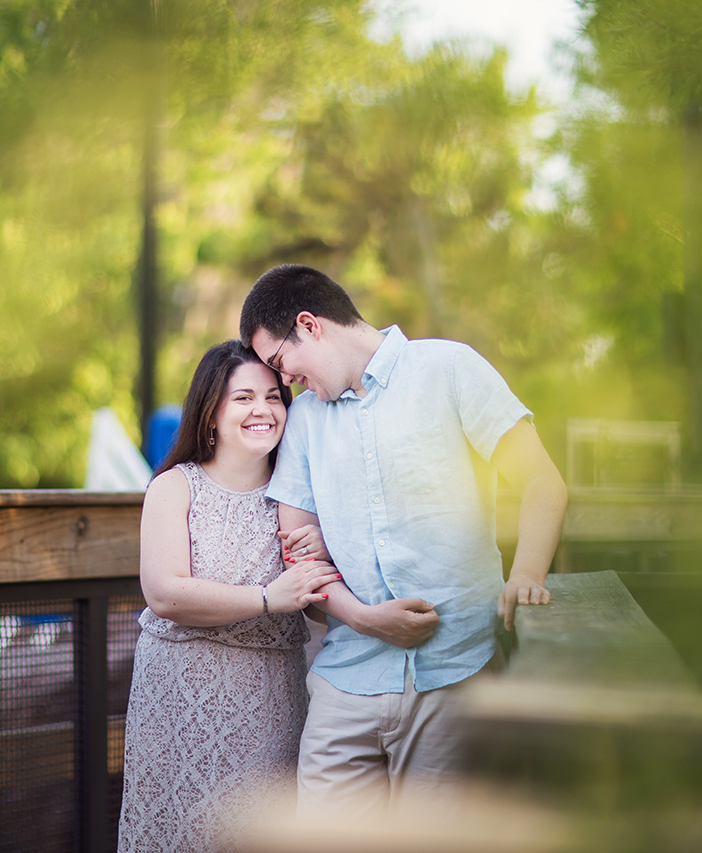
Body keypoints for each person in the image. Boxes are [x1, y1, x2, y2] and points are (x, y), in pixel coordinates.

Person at [240, 264, 569, 814]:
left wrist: (527, 576)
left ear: (310, 324)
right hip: (344, 683)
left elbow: (542, 481)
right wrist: (366, 619)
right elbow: (296, 550)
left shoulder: (450, 368)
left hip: (454, 676)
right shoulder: (303, 421)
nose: (286, 380)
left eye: (281, 362)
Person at [116, 340, 339, 853]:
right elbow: (166, 593)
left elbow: (324, 602)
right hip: (177, 699)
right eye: (243, 398)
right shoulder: (175, 487)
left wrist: (329, 546)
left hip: (270, 698)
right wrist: (268, 597)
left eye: (274, 397)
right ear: (211, 412)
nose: (262, 410)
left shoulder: (300, 495)